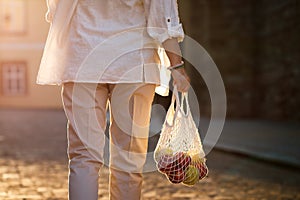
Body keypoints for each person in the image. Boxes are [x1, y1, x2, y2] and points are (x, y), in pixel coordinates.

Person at [37, 0, 190, 199]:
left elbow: (57, 8)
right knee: (128, 160)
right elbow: (162, 17)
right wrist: (176, 65)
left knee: (84, 156)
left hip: (82, 58)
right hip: (134, 63)